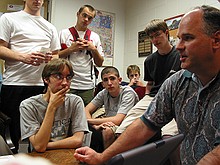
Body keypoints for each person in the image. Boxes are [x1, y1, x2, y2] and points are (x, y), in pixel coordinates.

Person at [74, 5, 220, 165]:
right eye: (179, 38)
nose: (179, 46)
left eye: (188, 38)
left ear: (216, 40)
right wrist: (102, 157)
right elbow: (145, 124)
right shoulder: (177, 82)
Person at [0, 0, 60, 152]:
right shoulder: (8, 18)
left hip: (41, 87)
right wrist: (23, 57)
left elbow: (56, 56)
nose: (37, 0)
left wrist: (49, 59)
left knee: (40, 134)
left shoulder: (50, 26)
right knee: (13, 134)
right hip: (15, 84)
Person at [19, 58, 89, 152]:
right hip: (41, 157)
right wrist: (52, 107)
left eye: (68, 78)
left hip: (69, 153)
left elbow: (77, 140)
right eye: (58, 77)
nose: (65, 83)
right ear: (46, 79)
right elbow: (39, 147)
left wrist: (44, 145)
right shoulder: (28, 106)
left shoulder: (75, 101)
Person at [85, 66, 139, 152]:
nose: (109, 83)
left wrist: (89, 121)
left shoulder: (128, 93)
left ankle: (107, 160)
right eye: (105, 80)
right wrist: (95, 126)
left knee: (107, 131)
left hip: (126, 125)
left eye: (112, 79)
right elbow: (86, 109)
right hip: (109, 122)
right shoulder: (104, 93)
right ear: (103, 84)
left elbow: (118, 120)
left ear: (119, 80)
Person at [59, 4, 104, 106]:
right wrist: (71, 49)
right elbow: (55, 57)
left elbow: (100, 63)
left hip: (87, 85)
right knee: (65, 113)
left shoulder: (95, 37)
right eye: (84, 15)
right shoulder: (64, 33)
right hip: (67, 83)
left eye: (90, 18)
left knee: (85, 115)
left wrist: (93, 49)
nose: (86, 19)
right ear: (78, 14)